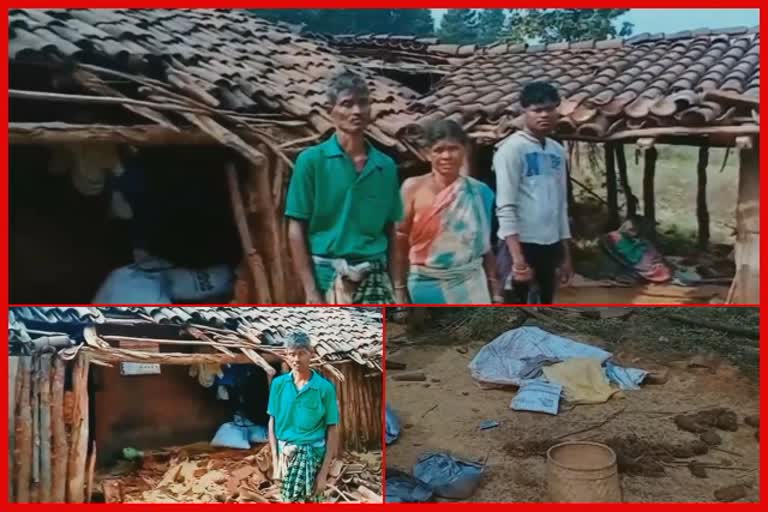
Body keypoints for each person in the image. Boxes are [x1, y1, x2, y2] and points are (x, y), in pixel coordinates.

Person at [285, 70, 403, 304]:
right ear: (331, 111)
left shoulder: (385, 166)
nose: (356, 111)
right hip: (326, 276)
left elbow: (392, 230)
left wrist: (399, 288)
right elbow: (296, 227)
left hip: (375, 275)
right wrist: (310, 290)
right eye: (347, 104)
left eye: (363, 103)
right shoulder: (311, 161)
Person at [393, 120, 503, 304]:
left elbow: (484, 245)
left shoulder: (478, 191)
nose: (446, 156)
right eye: (438, 150)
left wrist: (494, 286)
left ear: (464, 151)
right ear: (427, 153)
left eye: (453, 149)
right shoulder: (412, 188)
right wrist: (399, 288)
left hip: (470, 280)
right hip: (424, 281)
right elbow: (400, 238)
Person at [493, 81, 573, 304]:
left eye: (550, 109)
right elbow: (505, 205)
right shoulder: (511, 149)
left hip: (551, 244)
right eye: (537, 110)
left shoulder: (557, 151)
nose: (544, 115)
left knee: (546, 305)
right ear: (524, 112)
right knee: (516, 308)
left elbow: (561, 205)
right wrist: (517, 259)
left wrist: (565, 255)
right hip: (520, 244)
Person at [267, 331, 339, 503]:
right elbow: (272, 422)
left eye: (301, 353)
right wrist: (276, 462)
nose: (296, 359)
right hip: (286, 454)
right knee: (288, 500)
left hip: (313, 454)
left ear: (311, 354)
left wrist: (323, 474)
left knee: (313, 500)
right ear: (286, 355)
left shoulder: (324, 388)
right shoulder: (278, 385)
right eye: (292, 354)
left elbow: (332, 428)